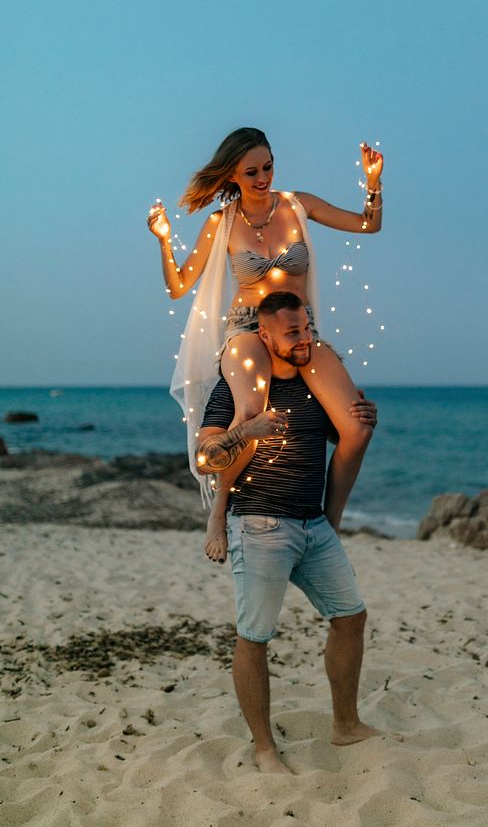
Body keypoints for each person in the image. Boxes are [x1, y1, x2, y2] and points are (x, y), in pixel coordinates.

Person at [147, 127, 383, 560]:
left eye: (268, 167)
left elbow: (368, 225)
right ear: (232, 175)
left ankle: (328, 527)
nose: (263, 178)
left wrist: (372, 183)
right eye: (251, 171)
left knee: (357, 426)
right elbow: (180, 285)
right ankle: (219, 512)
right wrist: (164, 240)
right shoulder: (223, 222)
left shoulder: (298, 205)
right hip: (247, 329)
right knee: (253, 413)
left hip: (299, 328)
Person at [196, 292, 383, 773]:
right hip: (260, 523)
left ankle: (346, 725)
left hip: (313, 523)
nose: (304, 340)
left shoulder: (313, 384)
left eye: (307, 329)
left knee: (350, 617)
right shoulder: (234, 389)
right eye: (293, 333)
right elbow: (206, 458)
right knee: (254, 636)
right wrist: (246, 429)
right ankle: (264, 748)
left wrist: (361, 423)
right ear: (265, 336)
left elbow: (340, 440)